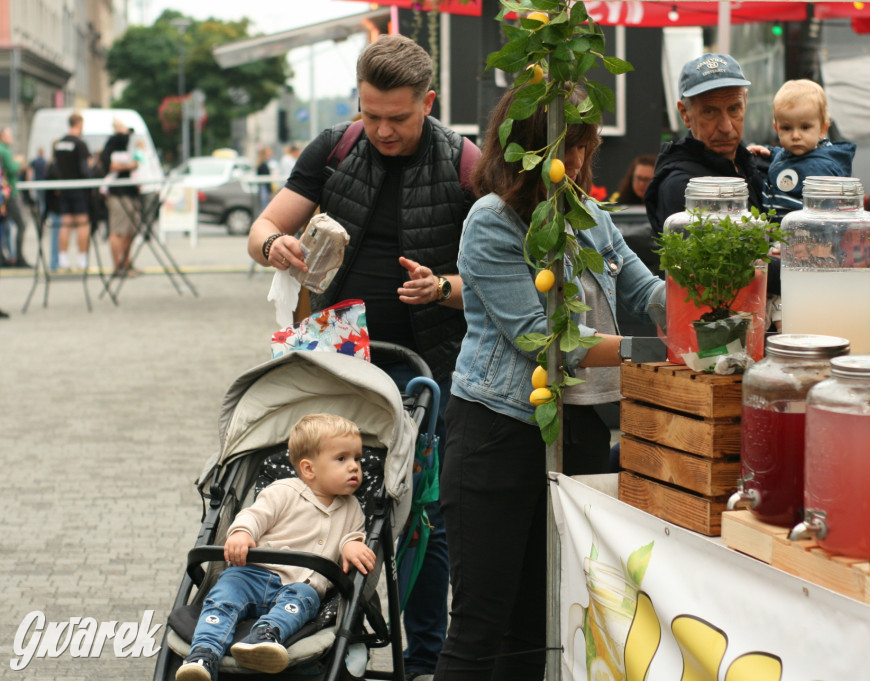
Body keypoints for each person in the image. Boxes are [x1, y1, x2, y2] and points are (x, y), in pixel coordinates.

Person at [247, 34, 478, 681]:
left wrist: (444, 288)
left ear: (427, 103)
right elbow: (261, 227)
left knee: (421, 513)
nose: (380, 129)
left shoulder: (464, 161)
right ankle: (322, 638)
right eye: (369, 113)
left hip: (425, 365)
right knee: (311, 498)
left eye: (397, 118)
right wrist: (275, 248)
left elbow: (499, 271)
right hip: (334, 356)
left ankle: (426, 658)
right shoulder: (336, 147)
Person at [434, 83, 665, 681]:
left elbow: (647, 292)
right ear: (526, 150)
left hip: (578, 431)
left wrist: (712, 291)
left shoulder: (588, 214)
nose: (583, 162)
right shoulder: (492, 222)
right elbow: (544, 340)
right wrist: (652, 349)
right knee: (483, 623)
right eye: (572, 147)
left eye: (586, 147)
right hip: (498, 431)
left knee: (542, 622)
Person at [176, 414, 376, 681]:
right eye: (342, 459)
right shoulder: (282, 491)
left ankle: (264, 636)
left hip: (299, 587)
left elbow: (353, 535)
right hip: (254, 575)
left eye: (357, 459)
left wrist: (352, 546)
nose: (354, 467)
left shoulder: (353, 509)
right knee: (225, 592)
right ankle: (203, 654)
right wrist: (242, 533)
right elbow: (255, 516)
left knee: (305, 597)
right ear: (308, 469)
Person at [644, 53, 765, 234]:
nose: (726, 126)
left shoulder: (756, 163)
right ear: (685, 114)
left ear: (745, 102)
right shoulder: (683, 187)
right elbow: (729, 261)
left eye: (734, 109)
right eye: (710, 112)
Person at [752, 79, 856, 218]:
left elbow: (827, 216)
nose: (795, 136)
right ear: (777, 129)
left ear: (823, 129)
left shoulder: (823, 170)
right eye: (787, 128)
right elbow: (784, 155)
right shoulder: (792, 152)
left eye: (805, 127)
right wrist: (769, 152)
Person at [53, 112, 93, 271]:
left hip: (63, 187)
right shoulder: (80, 143)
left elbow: (55, 166)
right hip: (78, 187)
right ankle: (82, 260)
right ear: (79, 123)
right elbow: (87, 166)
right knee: (83, 223)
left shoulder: (59, 143)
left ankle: (63, 260)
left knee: (65, 224)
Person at [100, 119, 140, 274]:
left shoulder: (127, 144)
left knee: (130, 230)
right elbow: (109, 165)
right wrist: (131, 165)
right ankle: (118, 266)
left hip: (130, 192)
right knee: (117, 230)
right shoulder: (112, 143)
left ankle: (126, 262)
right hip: (117, 193)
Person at [0, 127, 27, 267]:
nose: (12, 138)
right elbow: (12, 169)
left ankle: (8, 256)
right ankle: (18, 257)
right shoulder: (3, 151)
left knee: (5, 226)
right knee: (21, 224)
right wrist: (19, 161)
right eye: (9, 135)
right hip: (8, 193)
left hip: (6, 193)